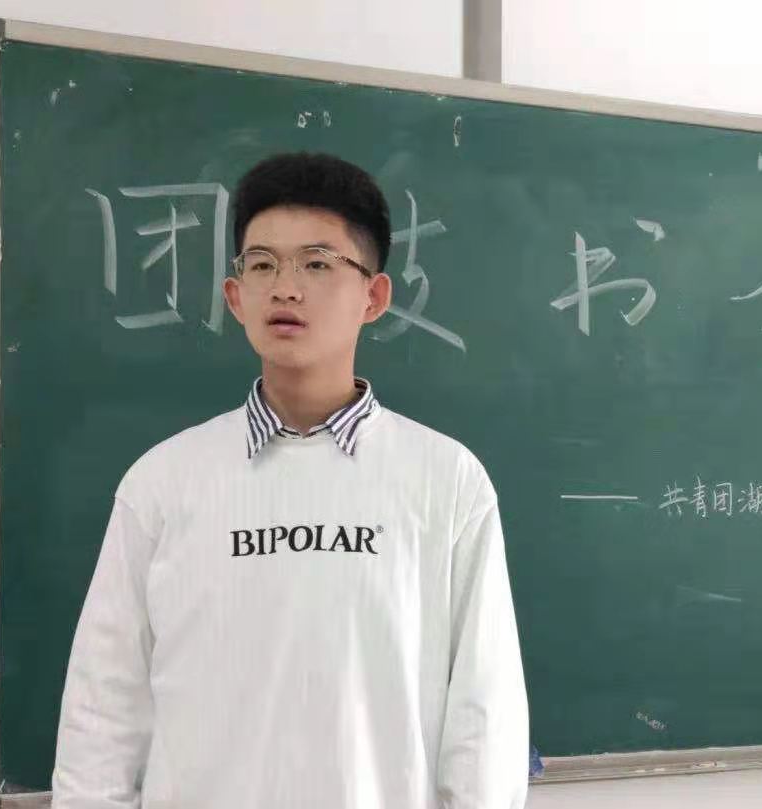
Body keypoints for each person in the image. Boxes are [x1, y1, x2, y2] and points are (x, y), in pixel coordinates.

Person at [51, 152, 528, 808]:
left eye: (317, 263)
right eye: (262, 264)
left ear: (374, 297)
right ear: (235, 295)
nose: (285, 288)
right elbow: (102, 710)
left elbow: (485, 713)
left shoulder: (446, 481)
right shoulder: (162, 482)